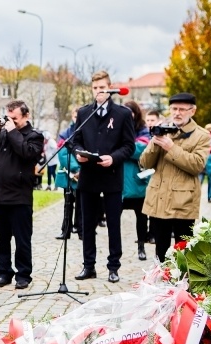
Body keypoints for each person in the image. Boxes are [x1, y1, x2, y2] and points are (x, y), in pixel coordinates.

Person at [73, 71, 136, 283]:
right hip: (89, 176)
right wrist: (78, 153)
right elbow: (75, 140)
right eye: (95, 88)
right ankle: (88, 265)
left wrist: (114, 157)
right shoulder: (84, 113)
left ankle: (113, 266)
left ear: (110, 88)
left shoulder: (123, 114)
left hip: (111, 176)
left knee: (113, 224)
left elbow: (129, 145)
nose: (99, 92)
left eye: (102, 87)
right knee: (87, 224)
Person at [141, 92, 211, 262]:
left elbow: (197, 165)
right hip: (159, 199)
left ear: (192, 111)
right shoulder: (163, 130)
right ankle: (159, 283)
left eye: (182, 109)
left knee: (183, 251)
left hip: (183, 202)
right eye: (174, 109)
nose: (177, 113)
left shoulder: (201, 135)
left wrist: (172, 148)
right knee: (160, 250)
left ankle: (182, 285)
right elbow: (145, 163)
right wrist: (155, 142)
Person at [0, 100, 44, 290]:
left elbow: (27, 153)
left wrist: (12, 131)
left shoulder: (35, 136)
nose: (11, 121)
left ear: (26, 116)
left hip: (19, 197)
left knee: (22, 239)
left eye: (15, 118)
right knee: (1, 238)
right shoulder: (2, 132)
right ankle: (4, 272)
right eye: (8, 117)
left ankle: (23, 274)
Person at [121, 101, 151, 261]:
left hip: (137, 181)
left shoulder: (143, 130)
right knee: (113, 219)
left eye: (130, 112)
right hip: (119, 182)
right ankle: (115, 250)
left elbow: (141, 150)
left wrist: (122, 148)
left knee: (141, 218)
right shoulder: (117, 127)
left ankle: (141, 246)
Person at [54, 138, 81, 240]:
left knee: (82, 206)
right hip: (69, 176)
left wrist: (81, 171)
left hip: (83, 176)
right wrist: (75, 169)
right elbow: (63, 154)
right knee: (68, 205)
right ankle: (66, 230)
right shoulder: (67, 134)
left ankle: (81, 230)